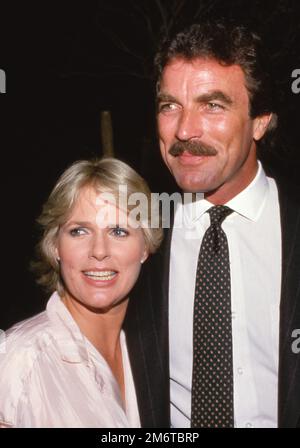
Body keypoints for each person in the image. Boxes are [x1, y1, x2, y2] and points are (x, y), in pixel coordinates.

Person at [124, 20, 300, 428]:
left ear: (260, 121)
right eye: (170, 106)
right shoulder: (136, 234)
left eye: (213, 105)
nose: (185, 130)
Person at [0, 157, 162, 428]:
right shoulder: (21, 359)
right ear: (55, 246)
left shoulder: (153, 357)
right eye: (79, 231)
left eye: (119, 231)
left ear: (145, 247)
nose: (99, 251)